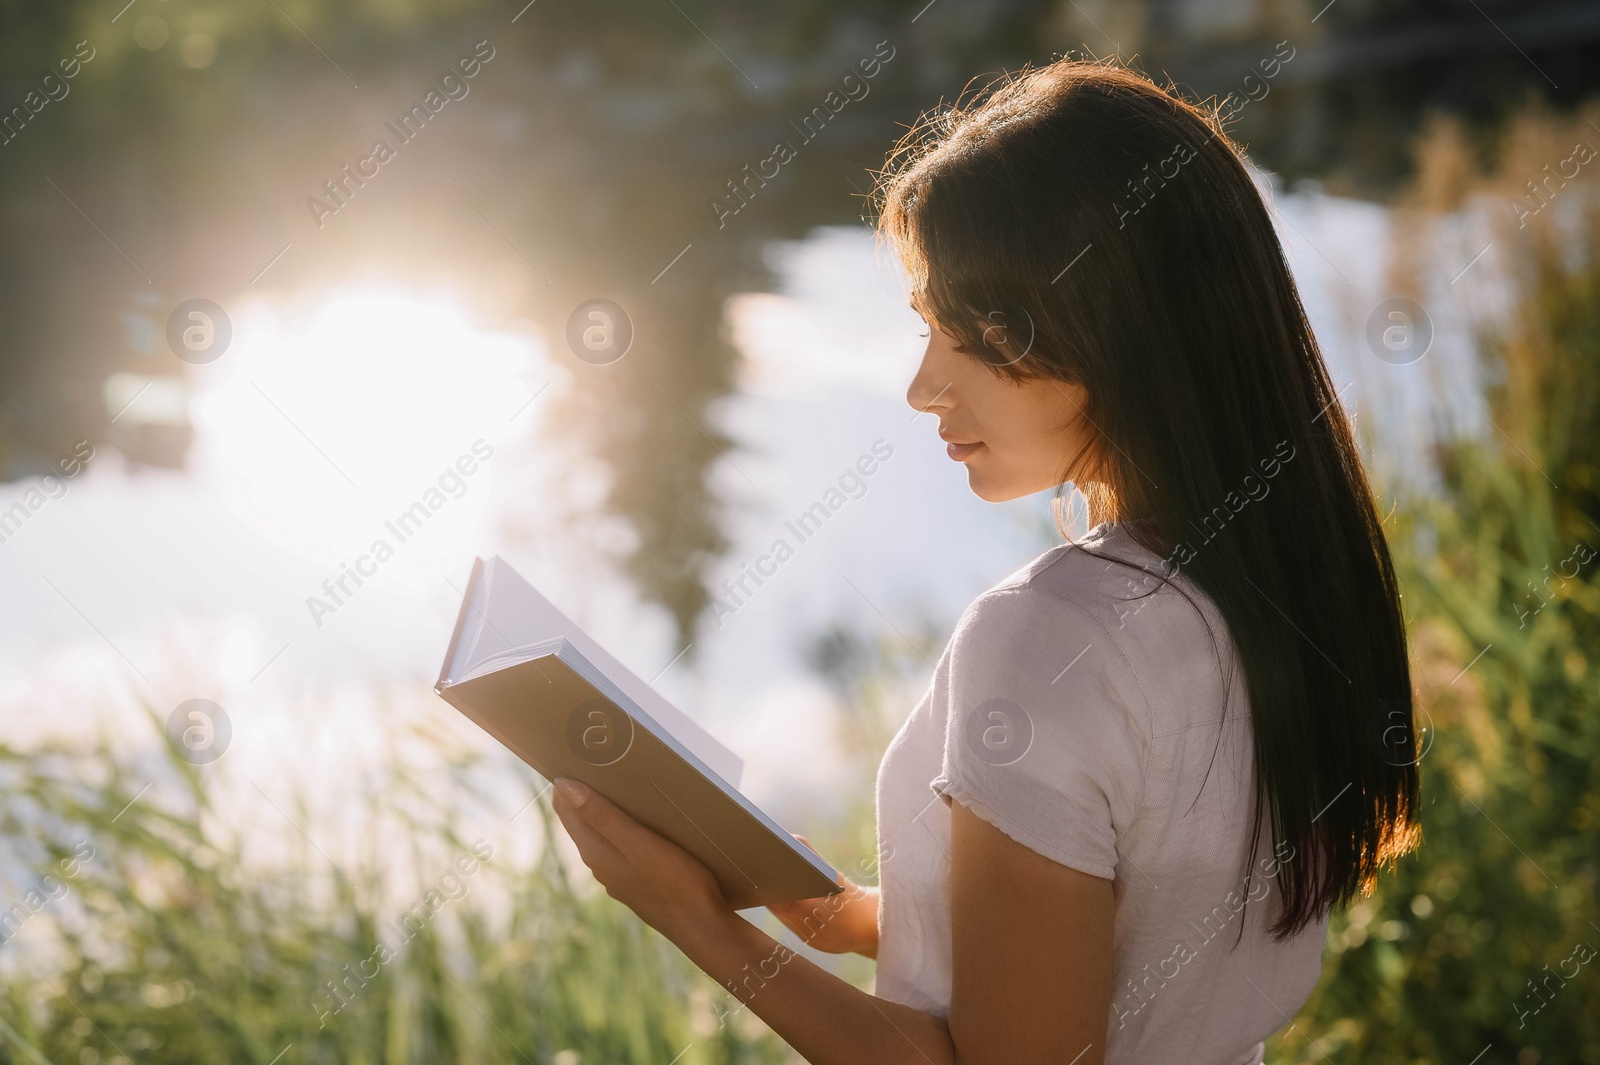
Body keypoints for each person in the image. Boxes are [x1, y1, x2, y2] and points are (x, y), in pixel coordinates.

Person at [549, 58, 1421, 1065]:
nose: (924, 386)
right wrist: (827, 910)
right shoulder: (1282, 584)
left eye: (976, 334)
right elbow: (1106, 921)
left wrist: (694, 922)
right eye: (929, 326)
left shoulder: (1049, 636)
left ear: (1118, 324)